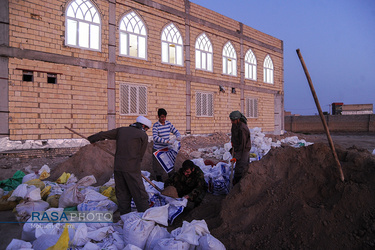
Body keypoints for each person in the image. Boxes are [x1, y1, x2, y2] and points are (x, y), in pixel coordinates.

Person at [87, 116, 152, 215]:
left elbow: (104, 134)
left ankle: (125, 216)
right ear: (143, 126)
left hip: (118, 168)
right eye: (146, 129)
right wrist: (136, 167)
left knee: (122, 193)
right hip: (132, 169)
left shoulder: (121, 130)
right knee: (139, 193)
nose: (146, 131)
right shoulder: (142, 136)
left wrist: (92, 139)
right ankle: (145, 216)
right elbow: (140, 155)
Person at [152, 108, 181, 181]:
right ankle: (159, 182)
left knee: (169, 165)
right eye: (162, 117)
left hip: (166, 149)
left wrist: (178, 136)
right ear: (158, 117)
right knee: (158, 167)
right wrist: (167, 142)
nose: (163, 118)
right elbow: (155, 137)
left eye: (164, 117)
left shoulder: (168, 124)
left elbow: (175, 131)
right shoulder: (156, 126)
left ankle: (172, 181)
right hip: (158, 149)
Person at [229, 110, 251, 185]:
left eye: (233, 120)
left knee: (240, 168)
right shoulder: (235, 125)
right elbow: (233, 134)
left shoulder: (243, 128)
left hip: (244, 149)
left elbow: (243, 145)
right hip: (238, 147)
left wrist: (236, 157)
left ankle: (239, 186)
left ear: (238, 119)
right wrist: (232, 142)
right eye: (231, 120)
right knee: (238, 167)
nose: (231, 122)